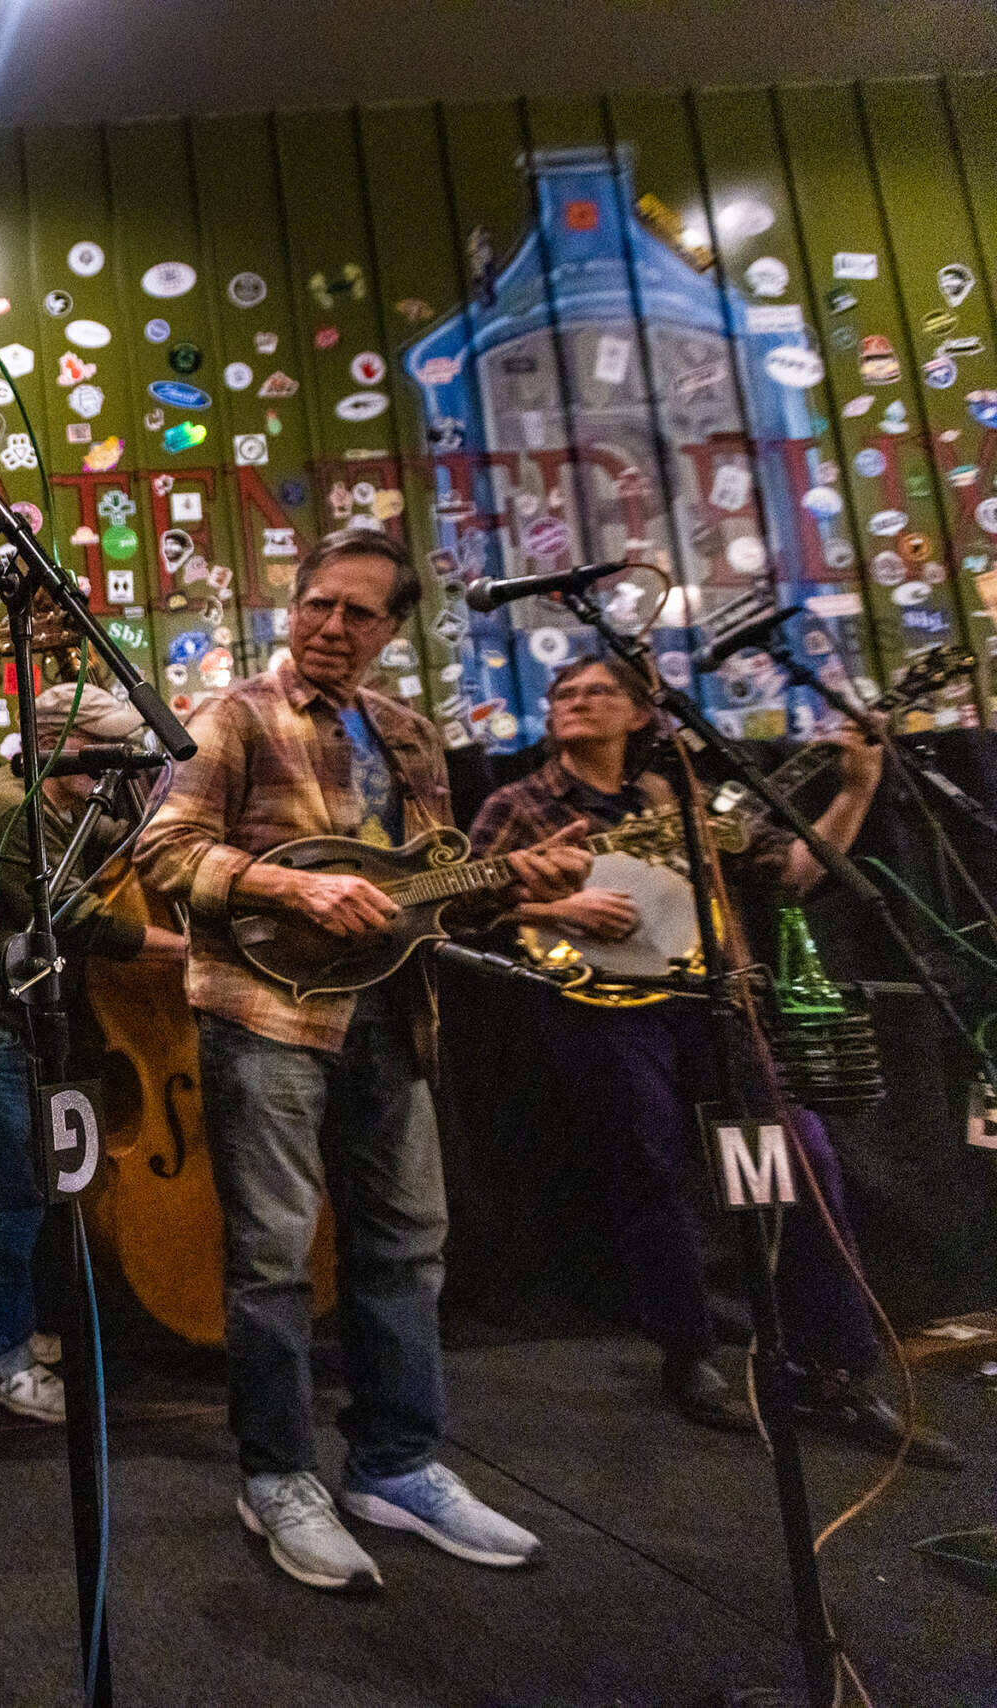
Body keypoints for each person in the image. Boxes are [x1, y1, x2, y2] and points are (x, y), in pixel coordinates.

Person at [131, 530, 590, 1594]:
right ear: (293, 606)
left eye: (358, 614)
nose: (333, 627)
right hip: (267, 1016)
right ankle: (278, 1477)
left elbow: (432, 889)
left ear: (392, 628)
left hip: (393, 1013)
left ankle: (396, 1466)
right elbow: (162, 849)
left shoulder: (410, 734)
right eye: (318, 606)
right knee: (273, 1258)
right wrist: (295, 889)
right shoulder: (234, 715)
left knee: (405, 1248)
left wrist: (523, 874)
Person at [468, 654, 962, 1464]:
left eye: (595, 690)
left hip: (717, 1003)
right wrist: (565, 904)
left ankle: (832, 1369)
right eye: (561, 692)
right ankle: (689, 1357)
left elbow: (797, 874)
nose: (572, 701)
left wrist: (855, 787)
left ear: (641, 712)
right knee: (649, 1169)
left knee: (799, 1162)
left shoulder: (686, 795)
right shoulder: (519, 804)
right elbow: (465, 901)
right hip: (604, 1010)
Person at [0, 680, 187, 1423]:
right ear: (71, 745)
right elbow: (76, 918)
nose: (117, 770)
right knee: (11, 1195)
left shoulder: (55, 801)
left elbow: (99, 843)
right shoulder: (13, 808)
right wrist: (186, 951)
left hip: (2, 1020)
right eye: (110, 754)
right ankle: (0, 1361)